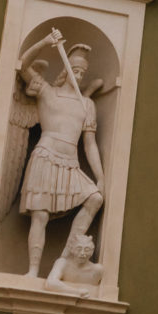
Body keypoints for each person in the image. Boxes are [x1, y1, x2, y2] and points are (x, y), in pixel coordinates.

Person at [16, 33, 106, 281]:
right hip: (46, 156)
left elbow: (89, 144)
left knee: (95, 198)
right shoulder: (47, 92)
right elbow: (22, 64)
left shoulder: (86, 104)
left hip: (71, 163)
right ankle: (33, 270)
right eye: (74, 70)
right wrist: (46, 42)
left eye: (81, 72)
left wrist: (100, 177)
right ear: (65, 71)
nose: (77, 75)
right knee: (41, 215)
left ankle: (65, 259)